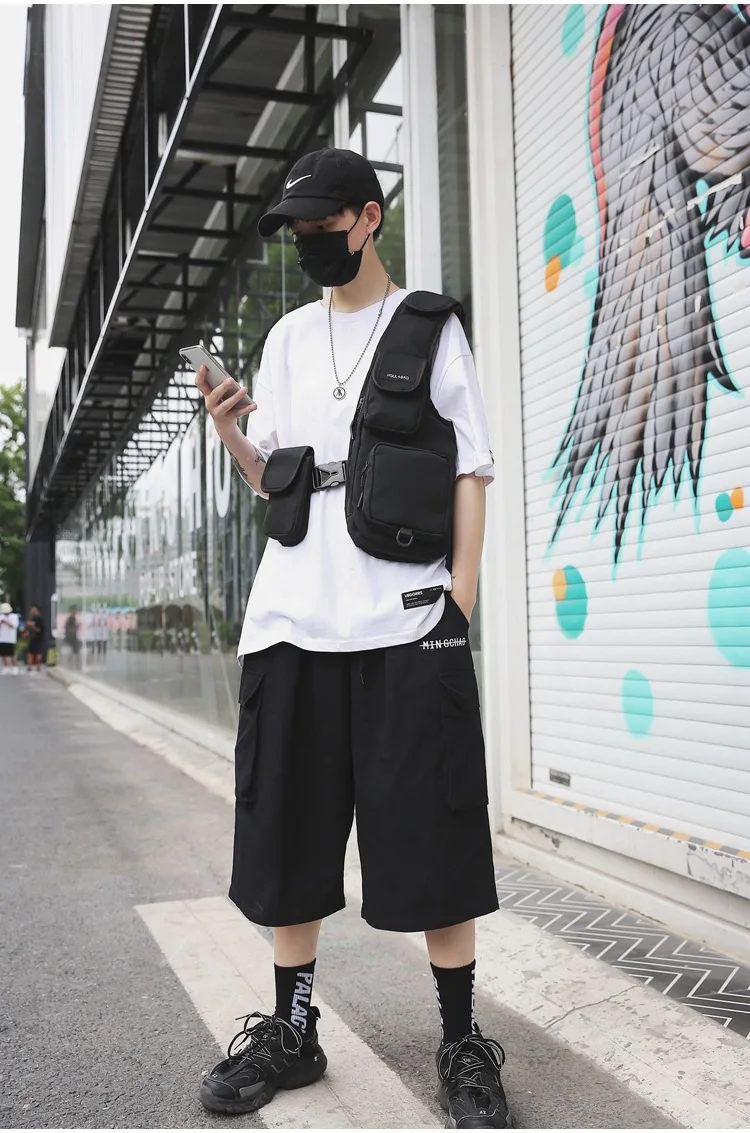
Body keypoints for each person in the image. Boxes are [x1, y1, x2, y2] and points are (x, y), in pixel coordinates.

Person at [195, 148, 510, 1128]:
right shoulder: (287, 338)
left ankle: (461, 1042)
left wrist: (459, 600)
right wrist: (230, 430)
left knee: (434, 837)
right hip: (291, 622)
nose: (307, 243)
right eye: (296, 233)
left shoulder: (428, 324)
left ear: (369, 218)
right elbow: (274, 481)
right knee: (286, 836)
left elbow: (470, 467)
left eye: (321, 226)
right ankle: (294, 1031)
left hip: (405, 623)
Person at [0, 602, 20, 676]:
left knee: (12, 654)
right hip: (2, 638)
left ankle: (15, 667)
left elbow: (14, 626)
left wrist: (6, 622)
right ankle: (6, 667)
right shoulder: (1, 616)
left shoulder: (14, 616)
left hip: (10, 639)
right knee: (3, 654)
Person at [25, 604, 46, 672]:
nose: (32, 611)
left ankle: (38, 666)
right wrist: (27, 632)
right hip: (32, 638)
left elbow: (39, 630)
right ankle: (29, 666)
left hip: (38, 638)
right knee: (30, 652)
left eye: (33, 610)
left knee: (38, 653)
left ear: (37, 610)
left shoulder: (40, 619)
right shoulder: (32, 618)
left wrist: (32, 626)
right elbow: (29, 629)